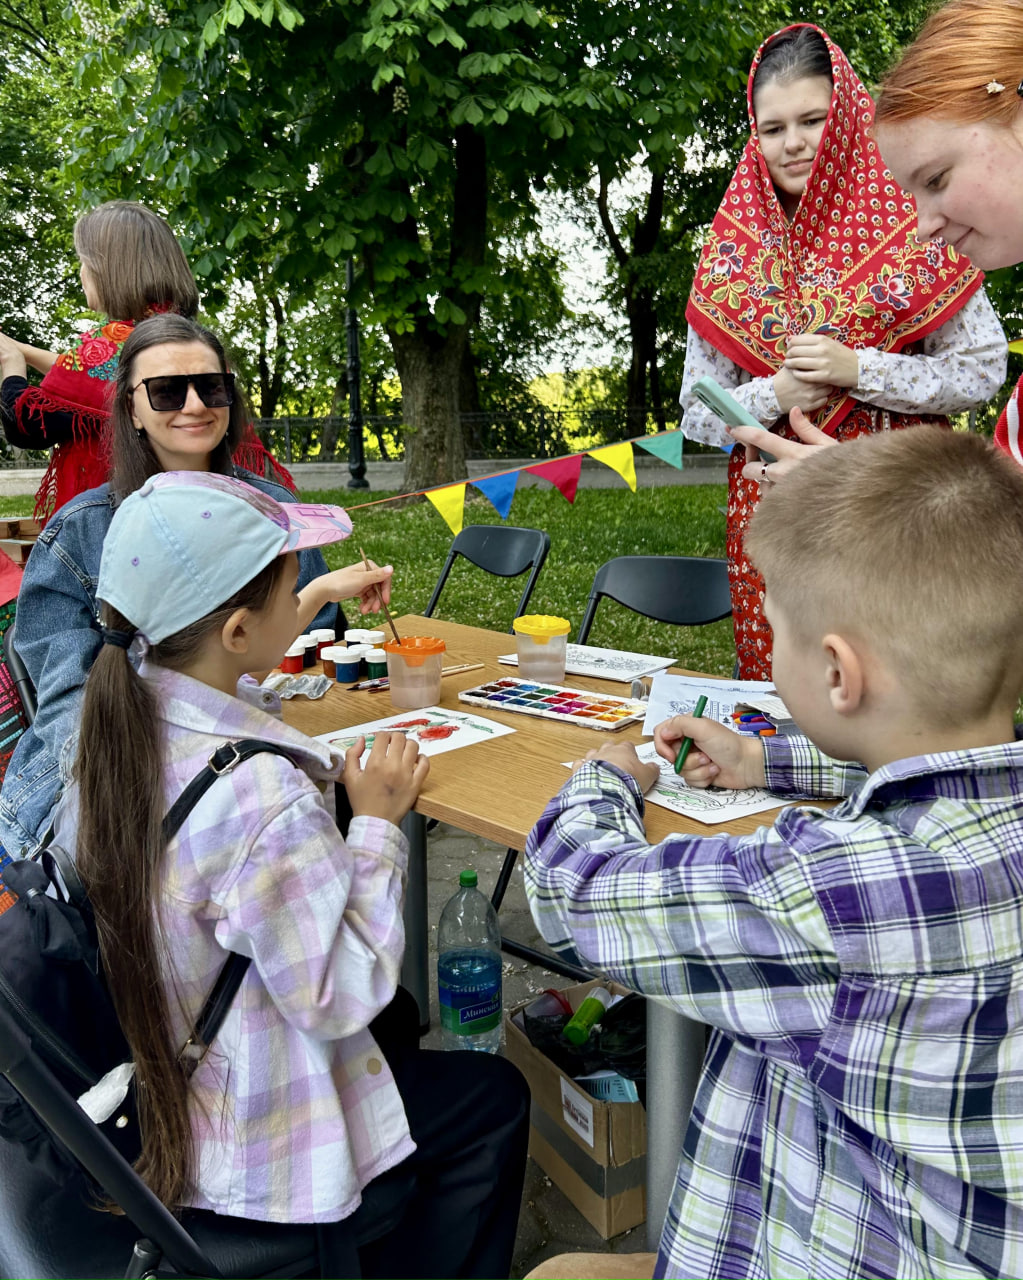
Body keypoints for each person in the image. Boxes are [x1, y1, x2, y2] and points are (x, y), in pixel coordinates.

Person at [525, 426, 1023, 1279]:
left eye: (777, 627)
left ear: (835, 672)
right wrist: (764, 757)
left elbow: (573, 889)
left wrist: (601, 779)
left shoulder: (833, 893)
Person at [56, 468, 528, 1276]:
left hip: (155, 1062)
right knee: (492, 1096)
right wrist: (376, 825)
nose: (304, 592)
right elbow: (340, 993)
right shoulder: (259, 793)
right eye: (293, 581)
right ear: (239, 630)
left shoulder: (117, 721)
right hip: (248, 1136)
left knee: (407, 1021)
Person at [680, 24, 1006, 679]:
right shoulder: (731, 251)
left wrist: (856, 370)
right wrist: (777, 393)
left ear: (850, 115)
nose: (793, 143)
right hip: (772, 507)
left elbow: (980, 369)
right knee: (788, 687)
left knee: (897, 681)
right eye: (771, 129)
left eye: (811, 119)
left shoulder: (919, 224)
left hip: (895, 501)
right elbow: (694, 414)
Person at [0, 313, 392, 858]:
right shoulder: (80, 530)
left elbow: (280, 654)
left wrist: (323, 590)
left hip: (252, 759)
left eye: (211, 386)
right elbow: (77, 714)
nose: (194, 405)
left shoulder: (274, 508)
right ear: (130, 409)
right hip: (108, 804)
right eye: (165, 391)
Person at [0, 200, 288, 522]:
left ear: (106, 271)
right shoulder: (189, 338)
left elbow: (26, 424)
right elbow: (94, 381)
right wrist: (22, 349)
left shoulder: (109, 343)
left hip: (121, 519)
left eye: (83, 262)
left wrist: (11, 364)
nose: (81, 274)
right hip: (210, 508)